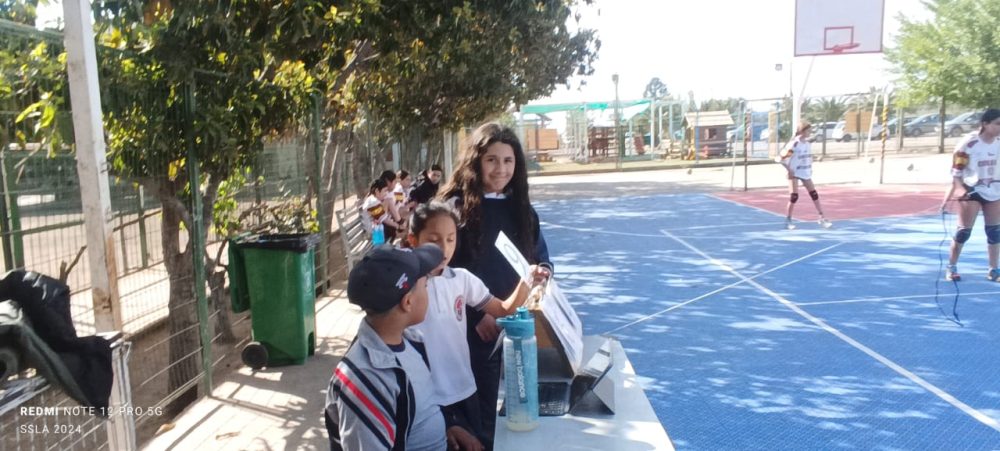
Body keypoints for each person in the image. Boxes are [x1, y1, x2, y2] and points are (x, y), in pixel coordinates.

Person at [439, 122, 553, 449]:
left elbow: (542, 260)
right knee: (472, 417)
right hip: (467, 333)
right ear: (476, 161)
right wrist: (480, 315)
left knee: (512, 412)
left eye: (508, 160)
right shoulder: (454, 209)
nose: (500, 168)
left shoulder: (523, 211)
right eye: (492, 160)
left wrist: (542, 274)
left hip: (513, 330)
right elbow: (442, 275)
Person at [406, 201, 542, 451]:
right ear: (413, 240)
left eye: (450, 239)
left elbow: (503, 309)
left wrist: (526, 280)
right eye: (433, 239)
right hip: (429, 400)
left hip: (465, 390)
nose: (444, 248)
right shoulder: (406, 289)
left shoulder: (461, 280)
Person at [324, 243, 448, 450]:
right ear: (407, 302)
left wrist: (449, 426)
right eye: (426, 286)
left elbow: (419, 410)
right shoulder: (366, 379)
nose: (429, 292)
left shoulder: (407, 342)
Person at [940, 108, 1000, 282]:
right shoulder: (969, 144)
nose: (999, 127)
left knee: (995, 232)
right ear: (985, 124)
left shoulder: (998, 144)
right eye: (997, 124)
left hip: (994, 190)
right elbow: (956, 171)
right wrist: (959, 188)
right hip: (972, 190)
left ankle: (994, 269)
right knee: (963, 232)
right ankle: (951, 267)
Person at [778, 121, 833, 230]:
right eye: (808, 130)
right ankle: (788, 220)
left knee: (814, 194)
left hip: (805, 173)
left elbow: (806, 158)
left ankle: (821, 218)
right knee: (794, 196)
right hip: (794, 172)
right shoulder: (794, 144)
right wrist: (789, 170)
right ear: (802, 131)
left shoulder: (807, 144)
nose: (810, 132)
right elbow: (782, 158)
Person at [360, 178, 402, 243]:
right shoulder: (372, 202)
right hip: (375, 232)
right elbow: (384, 219)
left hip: (376, 228)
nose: (386, 193)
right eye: (384, 191)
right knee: (399, 232)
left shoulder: (373, 199)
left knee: (396, 230)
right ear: (377, 191)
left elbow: (383, 218)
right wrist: (398, 226)